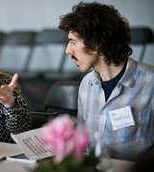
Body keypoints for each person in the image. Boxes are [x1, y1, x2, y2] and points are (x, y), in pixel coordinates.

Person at [58, 2, 154, 161]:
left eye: (73, 42)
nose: (68, 50)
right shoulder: (86, 84)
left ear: (96, 44)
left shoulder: (150, 83)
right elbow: (83, 143)